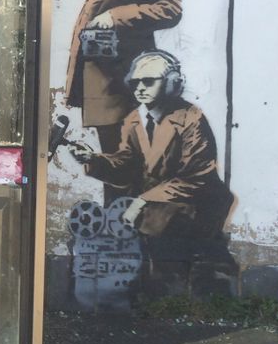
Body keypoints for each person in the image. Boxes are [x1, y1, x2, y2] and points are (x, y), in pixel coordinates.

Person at [65, 50, 235, 294]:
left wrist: (144, 200)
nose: (140, 88)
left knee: (180, 270)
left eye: (148, 81)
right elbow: (126, 164)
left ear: (172, 83)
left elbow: (195, 177)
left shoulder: (191, 118)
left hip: (196, 208)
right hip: (157, 209)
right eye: (135, 82)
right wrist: (93, 159)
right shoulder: (134, 119)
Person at [55, 0, 182, 203]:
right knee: (111, 160)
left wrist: (118, 16)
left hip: (133, 78)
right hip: (99, 78)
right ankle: (117, 228)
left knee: (137, 159)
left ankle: (136, 232)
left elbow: (171, 9)